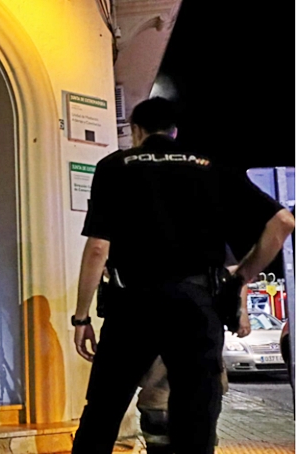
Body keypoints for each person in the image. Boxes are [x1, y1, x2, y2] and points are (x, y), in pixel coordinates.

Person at [70, 96, 294, 454]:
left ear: (136, 131)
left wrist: (81, 317)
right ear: (175, 132)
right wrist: (240, 279)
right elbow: (283, 223)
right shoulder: (210, 166)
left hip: (132, 305)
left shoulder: (114, 166)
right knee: (196, 418)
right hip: (196, 305)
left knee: (103, 413)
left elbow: (98, 247)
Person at [136, 262, 249, 454]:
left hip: (162, 316)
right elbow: (237, 270)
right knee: (197, 413)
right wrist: (241, 310)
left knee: (159, 409)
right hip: (200, 319)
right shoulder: (206, 236)